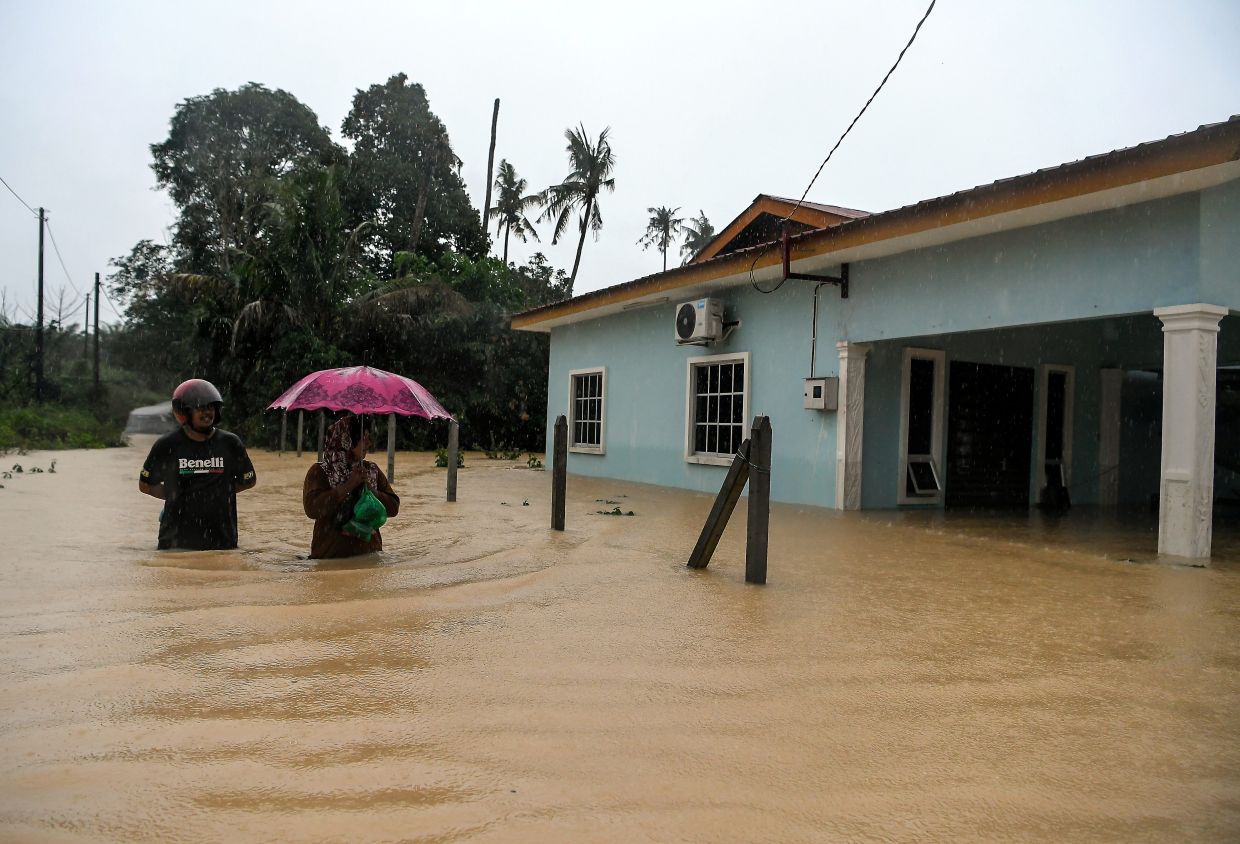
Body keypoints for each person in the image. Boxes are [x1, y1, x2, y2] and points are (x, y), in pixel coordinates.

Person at [139, 378, 257, 550]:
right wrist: (179, 497)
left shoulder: (231, 443)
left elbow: (249, 481)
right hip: (175, 543)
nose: (207, 413)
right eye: (200, 408)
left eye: (211, 407)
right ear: (184, 413)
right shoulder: (166, 445)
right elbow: (146, 486)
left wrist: (217, 493)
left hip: (222, 543)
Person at [303, 413, 400, 559]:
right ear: (347, 440)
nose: (369, 443)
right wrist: (348, 485)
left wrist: (371, 490)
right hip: (329, 559)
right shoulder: (320, 472)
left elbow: (393, 508)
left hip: (370, 560)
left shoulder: (371, 470)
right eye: (364, 438)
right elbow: (312, 509)